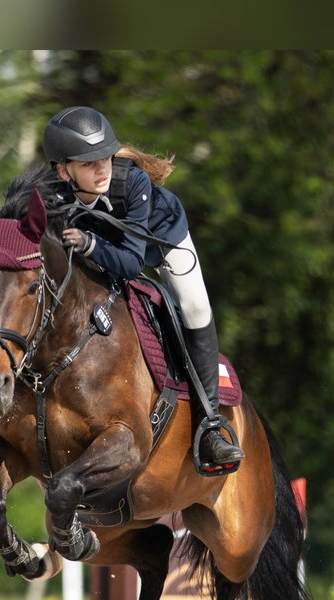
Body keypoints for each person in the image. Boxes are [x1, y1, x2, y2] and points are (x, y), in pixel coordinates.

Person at [42, 105, 245, 473]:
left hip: (159, 239)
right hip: (106, 245)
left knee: (195, 306)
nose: (101, 168)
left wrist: (89, 245)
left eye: (104, 157)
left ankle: (211, 424)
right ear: (62, 169)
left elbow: (133, 262)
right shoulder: (52, 195)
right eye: (88, 163)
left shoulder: (131, 182)